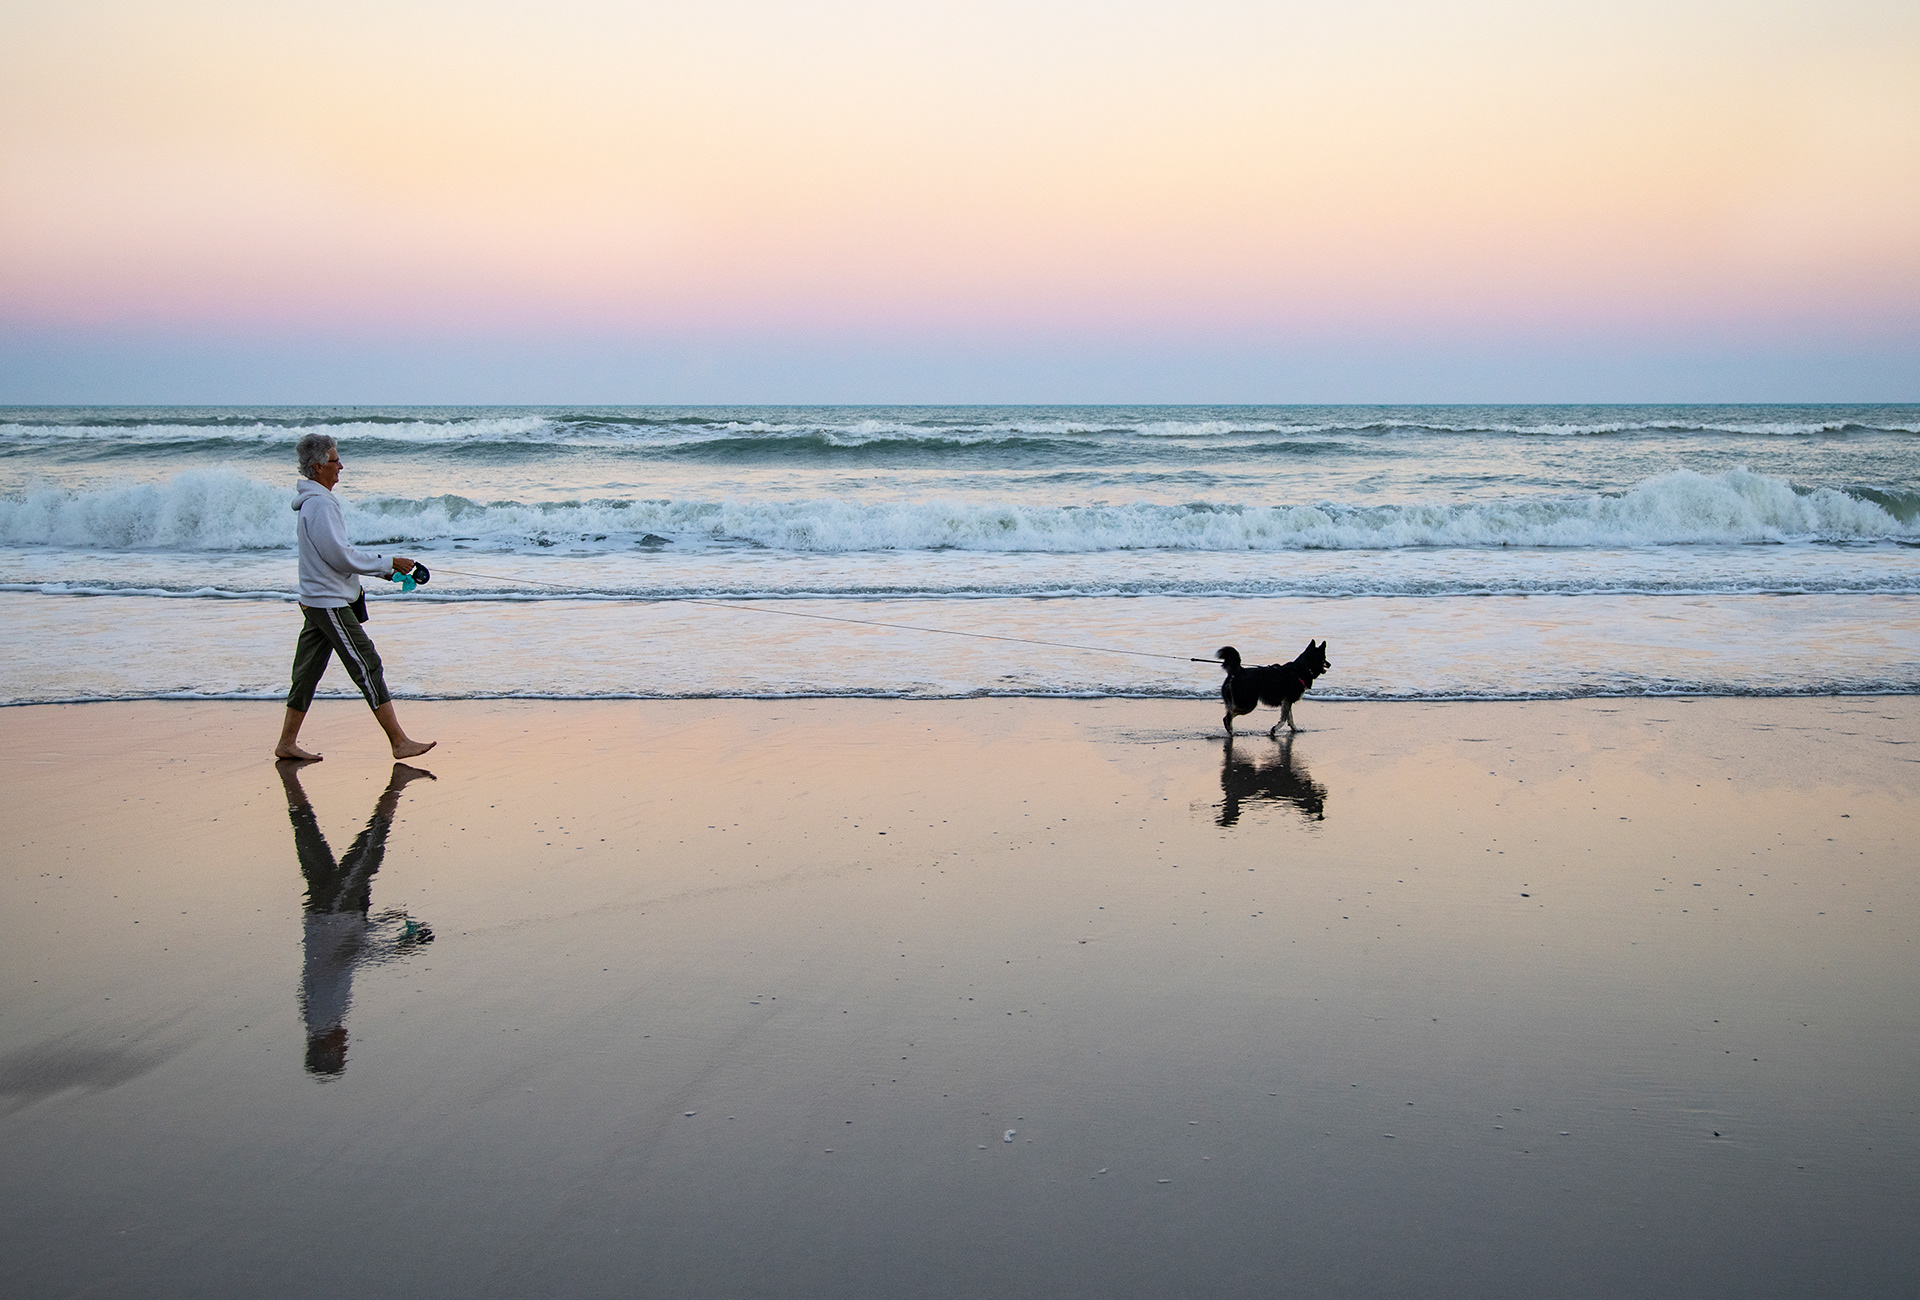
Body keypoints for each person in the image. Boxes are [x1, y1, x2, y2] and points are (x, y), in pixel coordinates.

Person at [274, 433, 435, 761]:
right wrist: (388, 562)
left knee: (306, 673)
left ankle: (286, 744)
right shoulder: (319, 505)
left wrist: (388, 572)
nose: (341, 466)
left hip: (319, 599)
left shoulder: (316, 502)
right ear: (319, 468)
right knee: (367, 664)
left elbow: (336, 556)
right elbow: (341, 557)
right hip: (329, 602)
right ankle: (399, 742)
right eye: (335, 461)